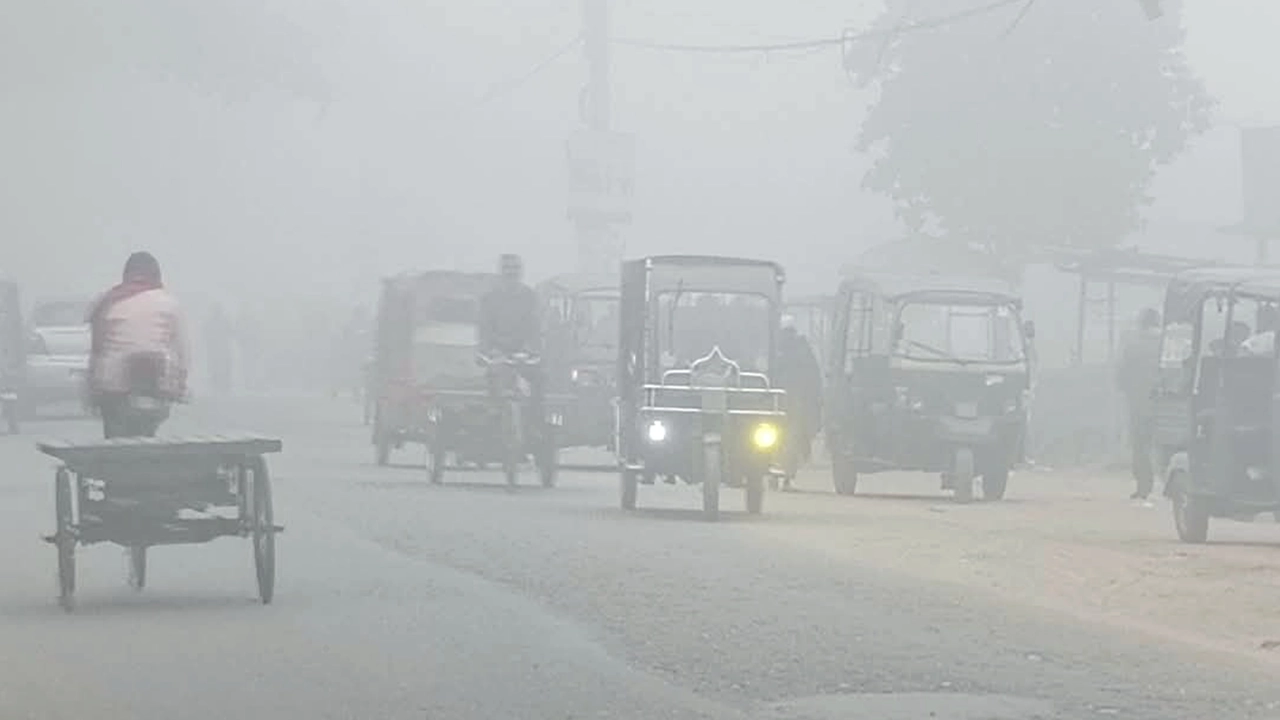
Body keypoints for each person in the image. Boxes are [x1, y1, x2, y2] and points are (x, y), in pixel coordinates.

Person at [87, 252, 189, 438]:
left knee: (113, 436)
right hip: (159, 386)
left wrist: (92, 392)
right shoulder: (169, 303)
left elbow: (97, 350)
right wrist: (180, 386)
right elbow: (181, 352)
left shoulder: (109, 302)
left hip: (113, 387)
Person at [478, 254, 544, 427]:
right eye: (507, 268)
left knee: (539, 381)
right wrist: (488, 350)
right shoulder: (489, 298)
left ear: (520, 271)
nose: (511, 272)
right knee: (493, 379)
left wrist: (532, 348)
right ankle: (493, 417)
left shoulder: (529, 296)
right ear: (501, 271)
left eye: (514, 268)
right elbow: (484, 327)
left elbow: (535, 325)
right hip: (497, 351)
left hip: (523, 352)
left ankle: (537, 424)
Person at [1115, 307, 1161, 501]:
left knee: (1140, 446)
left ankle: (1144, 486)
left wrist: (1128, 390)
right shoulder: (1165, 342)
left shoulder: (1132, 343)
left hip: (1139, 403)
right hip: (1166, 402)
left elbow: (1121, 374)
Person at [776, 317, 824, 488]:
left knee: (787, 438)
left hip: (788, 401)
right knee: (789, 438)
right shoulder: (799, 349)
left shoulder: (779, 349)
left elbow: (812, 378)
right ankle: (784, 476)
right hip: (789, 401)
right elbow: (814, 378)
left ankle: (782, 476)